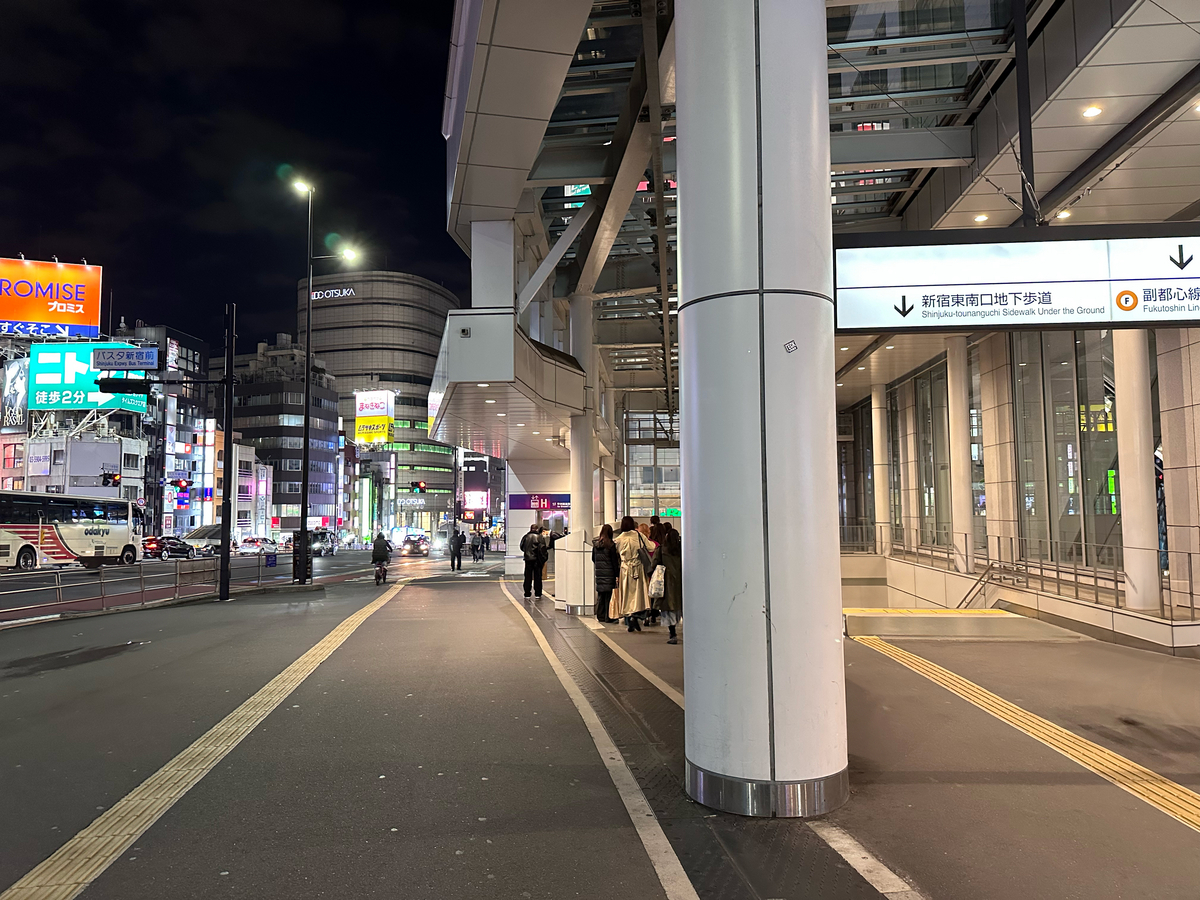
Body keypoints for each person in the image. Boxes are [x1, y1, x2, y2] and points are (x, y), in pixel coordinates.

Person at [613, 516, 654, 631]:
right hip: (639, 568)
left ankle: (629, 616)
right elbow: (651, 547)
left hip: (625, 569)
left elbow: (615, 553)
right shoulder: (639, 536)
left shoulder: (619, 539)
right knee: (639, 595)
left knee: (627, 595)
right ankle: (636, 617)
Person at [652, 522, 683, 643]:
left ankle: (672, 633)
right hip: (682, 581)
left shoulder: (661, 550)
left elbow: (654, 564)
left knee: (669, 608)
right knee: (680, 607)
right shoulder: (683, 550)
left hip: (666, 582)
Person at [592, 523, 621, 623]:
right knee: (608, 596)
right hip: (609, 574)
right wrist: (617, 575)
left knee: (601, 595)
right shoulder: (611, 545)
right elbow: (614, 562)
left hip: (599, 574)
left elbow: (593, 559)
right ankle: (608, 617)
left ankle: (600, 616)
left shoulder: (596, 545)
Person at [520, 524, 546, 598]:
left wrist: (527, 552)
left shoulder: (526, 537)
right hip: (537, 560)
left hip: (528, 559)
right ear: (537, 529)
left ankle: (527, 593)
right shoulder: (539, 537)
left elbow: (522, 546)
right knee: (537, 576)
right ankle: (537, 593)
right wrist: (543, 558)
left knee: (528, 576)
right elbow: (543, 548)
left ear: (531, 529)